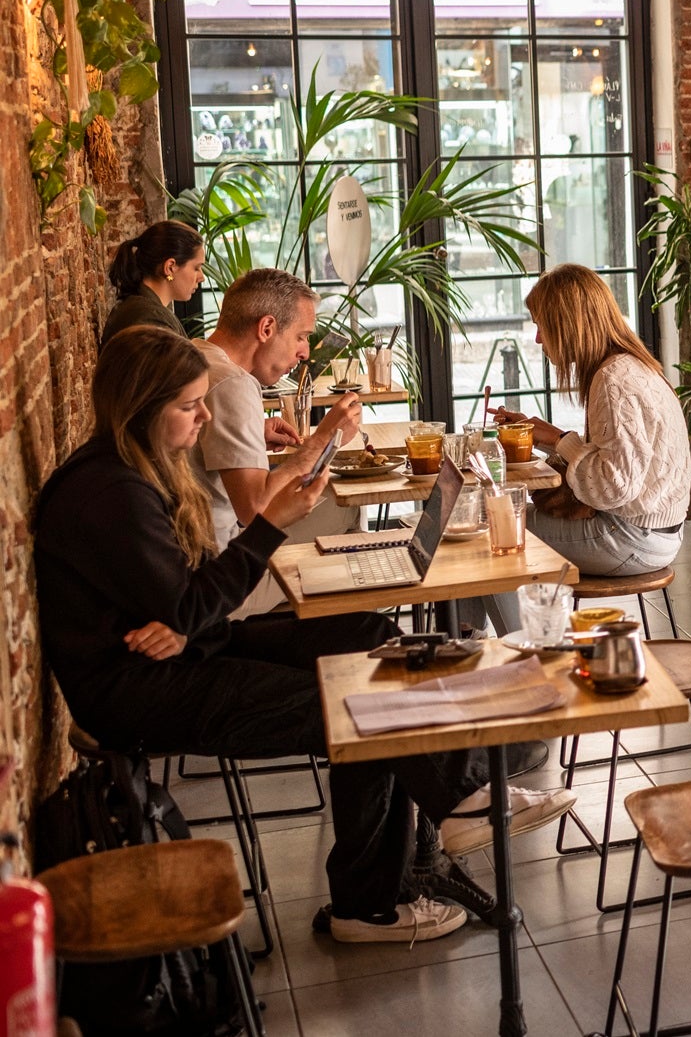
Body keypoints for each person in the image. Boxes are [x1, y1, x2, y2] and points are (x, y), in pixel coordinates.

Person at [33, 327, 577, 944]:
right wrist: (265, 528)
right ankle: (370, 902)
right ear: (143, 408)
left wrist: (180, 619)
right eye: (190, 405)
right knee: (354, 702)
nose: (205, 416)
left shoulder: (131, 470)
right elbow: (188, 604)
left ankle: (458, 799)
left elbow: (183, 608)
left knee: (369, 637)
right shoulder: (113, 494)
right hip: (141, 690)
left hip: (188, 649)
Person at [487, 264, 691, 581]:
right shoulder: (630, 365)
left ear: (567, 325)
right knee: (501, 522)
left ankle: (504, 633)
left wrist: (560, 442)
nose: (538, 339)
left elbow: (613, 487)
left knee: (494, 530)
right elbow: (620, 463)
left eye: (542, 326)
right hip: (659, 532)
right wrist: (552, 436)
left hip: (631, 538)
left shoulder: (613, 381)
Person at [192, 268, 359, 545]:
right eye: (301, 336)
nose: (305, 352)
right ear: (266, 328)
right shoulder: (233, 383)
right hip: (220, 559)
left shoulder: (197, 355)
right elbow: (255, 510)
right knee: (348, 511)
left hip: (190, 546)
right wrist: (323, 440)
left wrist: (253, 432)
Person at [101, 219, 203, 345]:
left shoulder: (143, 309)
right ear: (170, 267)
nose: (201, 277)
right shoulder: (152, 320)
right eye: (196, 268)